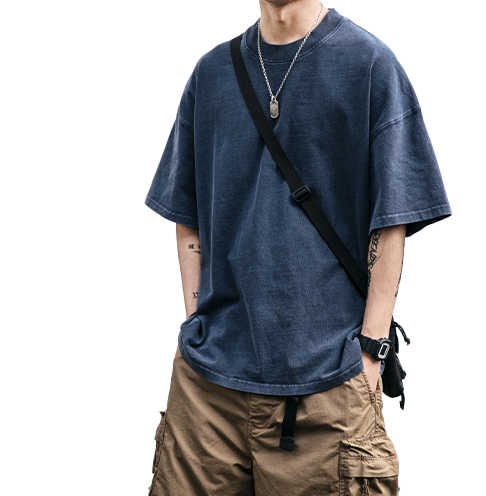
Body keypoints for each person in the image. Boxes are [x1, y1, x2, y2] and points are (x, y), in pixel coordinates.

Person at [144, 1, 451, 494]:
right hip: (208, 393)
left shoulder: (369, 65)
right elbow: (187, 214)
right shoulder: (212, 73)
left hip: (328, 388)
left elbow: (393, 220)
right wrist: (198, 323)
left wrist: (370, 352)